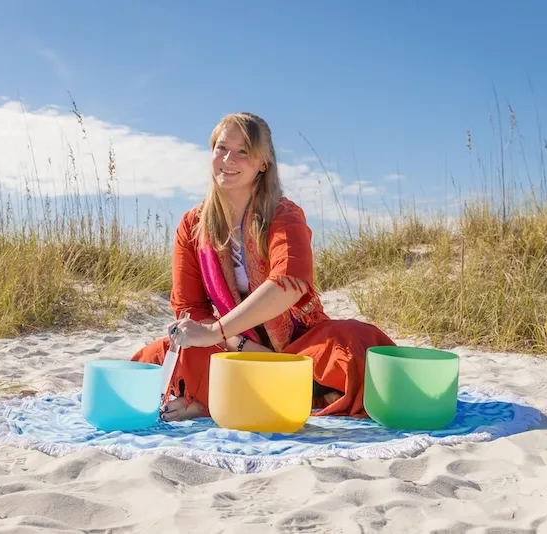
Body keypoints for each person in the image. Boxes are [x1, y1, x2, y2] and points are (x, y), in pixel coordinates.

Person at [130, 112, 396, 421]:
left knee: (355, 341)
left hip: (297, 345)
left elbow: (289, 282)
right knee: (153, 359)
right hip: (228, 348)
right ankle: (238, 397)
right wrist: (234, 343)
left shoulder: (284, 214)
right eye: (221, 147)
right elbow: (190, 307)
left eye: (243, 151)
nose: (229, 159)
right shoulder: (192, 225)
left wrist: (218, 330)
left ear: (263, 163)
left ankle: (217, 399)